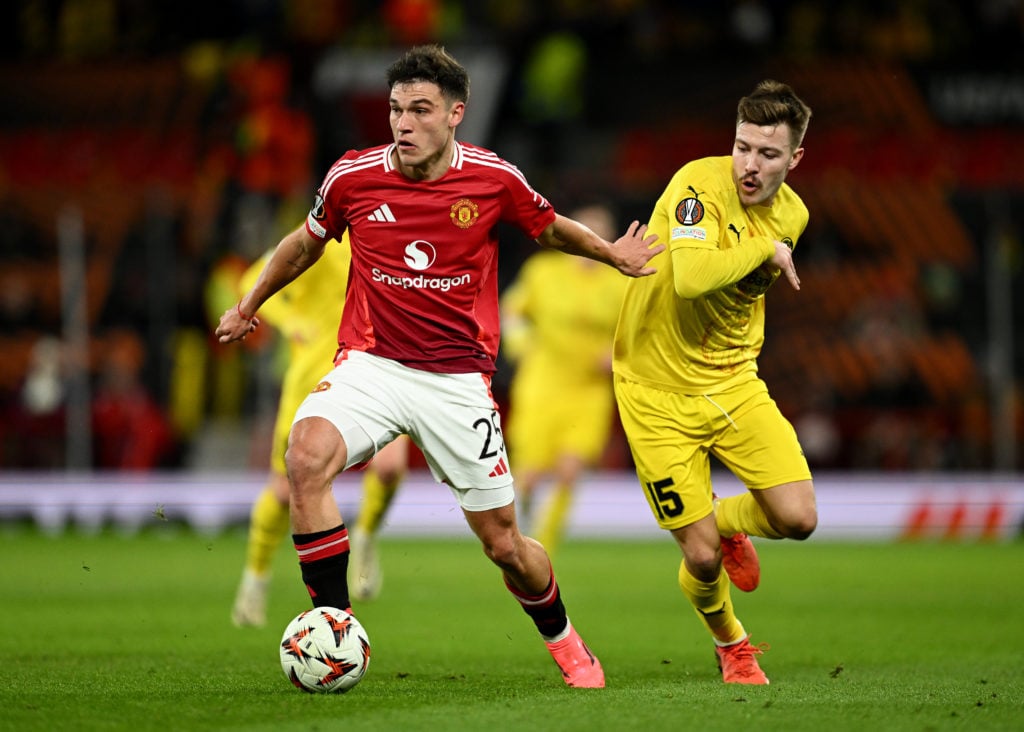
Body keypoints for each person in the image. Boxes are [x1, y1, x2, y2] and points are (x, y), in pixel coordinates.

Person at [215, 44, 662, 688]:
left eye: (420, 110)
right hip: (371, 363)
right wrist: (250, 302)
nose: (403, 123)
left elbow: (551, 228)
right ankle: (334, 626)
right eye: (396, 109)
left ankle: (564, 638)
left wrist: (610, 254)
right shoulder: (352, 177)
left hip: (456, 382)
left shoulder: (492, 178)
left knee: (505, 544)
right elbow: (302, 245)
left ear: (456, 114)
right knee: (305, 455)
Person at [612, 80, 817, 685]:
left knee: (799, 518)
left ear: (795, 159)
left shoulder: (794, 215)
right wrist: (764, 248)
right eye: (742, 146)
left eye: (768, 154)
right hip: (655, 390)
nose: (750, 165)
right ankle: (733, 644)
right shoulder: (697, 184)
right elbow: (694, 278)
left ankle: (725, 522)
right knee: (698, 558)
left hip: (732, 381)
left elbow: (741, 294)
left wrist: (767, 247)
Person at [231, 233, 410, 628]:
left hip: (373, 373)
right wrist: (292, 320)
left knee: (391, 467)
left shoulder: (393, 230)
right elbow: (249, 281)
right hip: (313, 375)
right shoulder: (318, 233)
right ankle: (255, 578)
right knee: (283, 492)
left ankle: (365, 537)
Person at [501, 202, 627, 556]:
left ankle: (543, 549)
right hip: (542, 381)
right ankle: (521, 513)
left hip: (589, 389)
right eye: (584, 234)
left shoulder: (620, 283)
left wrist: (617, 356)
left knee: (570, 469)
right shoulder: (542, 271)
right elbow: (512, 311)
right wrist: (520, 345)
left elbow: (635, 334)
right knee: (528, 475)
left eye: (599, 236)